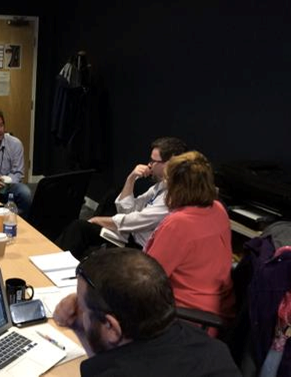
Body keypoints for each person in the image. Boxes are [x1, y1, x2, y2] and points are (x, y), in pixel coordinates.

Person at [53, 248, 241, 376]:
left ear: (111, 326)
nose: (76, 307)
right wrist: (81, 325)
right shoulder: (213, 349)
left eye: (82, 307)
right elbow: (110, 355)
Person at [55, 137, 188, 259]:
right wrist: (131, 178)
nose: (149, 165)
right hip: (128, 235)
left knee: (79, 228)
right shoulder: (161, 186)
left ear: (170, 163)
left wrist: (99, 220)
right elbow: (127, 210)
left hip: (139, 249)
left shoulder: (173, 197)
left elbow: (134, 220)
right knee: (108, 199)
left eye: (154, 161)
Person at [145, 151, 235, 326]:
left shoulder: (178, 223)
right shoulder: (218, 209)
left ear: (176, 186)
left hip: (187, 316)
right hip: (218, 309)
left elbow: (149, 277)